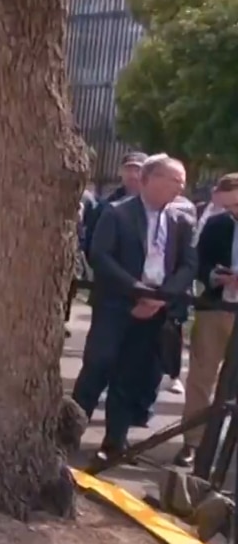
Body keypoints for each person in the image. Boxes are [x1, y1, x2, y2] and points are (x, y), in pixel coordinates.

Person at [73, 154, 196, 460]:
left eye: (182, 182)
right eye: (174, 180)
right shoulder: (117, 214)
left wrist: (160, 297)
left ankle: (115, 440)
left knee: (130, 374)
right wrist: (137, 290)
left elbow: (188, 265)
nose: (180, 187)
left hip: (156, 309)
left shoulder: (181, 221)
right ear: (149, 179)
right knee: (97, 367)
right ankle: (68, 432)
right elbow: (100, 257)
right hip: (117, 305)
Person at [174, 173, 238, 467]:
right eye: (229, 206)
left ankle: (226, 453)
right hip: (215, 308)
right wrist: (215, 276)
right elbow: (199, 264)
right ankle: (192, 443)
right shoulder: (216, 224)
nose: (233, 211)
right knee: (201, 378)